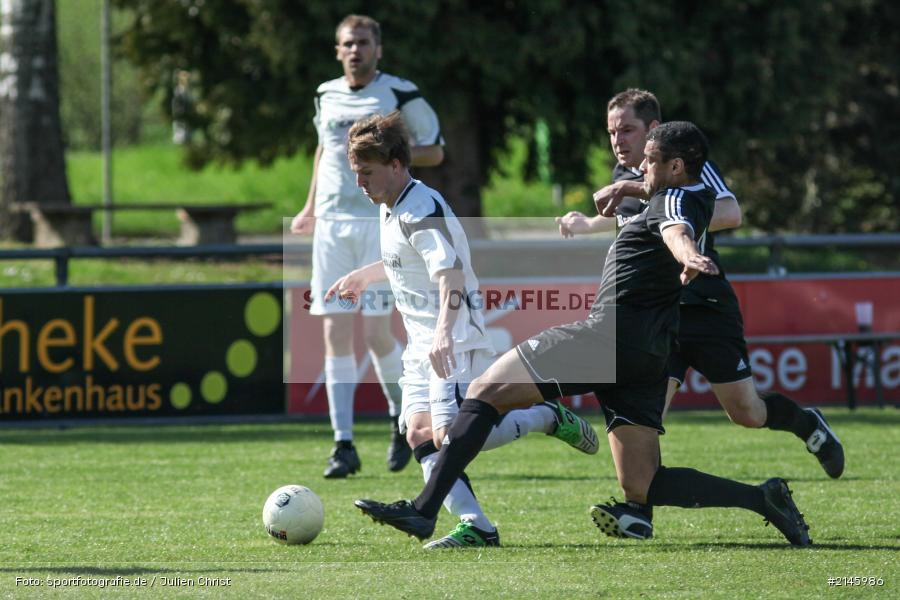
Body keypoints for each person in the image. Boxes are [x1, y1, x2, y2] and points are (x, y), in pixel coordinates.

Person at [355, 121, 812, 547]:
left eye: (649, 161)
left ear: (675, 167)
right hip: (648, 354)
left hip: (607, 337)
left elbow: (675, 230)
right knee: (643, 483)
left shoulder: (671, 203)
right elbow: (669, 204)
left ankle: (424, 508)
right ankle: (762, 498)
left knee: (485, 390)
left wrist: (688, 254)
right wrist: (628, 185)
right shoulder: (694, 195)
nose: (640, 166)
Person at [328, 113, 599, 548]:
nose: (360, 183)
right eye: (356, 173)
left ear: (396, 164)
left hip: (454, 338)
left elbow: (449, 275)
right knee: (416, 432)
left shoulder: (419, 209)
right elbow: (406, 262)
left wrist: (441, 336)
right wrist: (364, 276)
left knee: (448, 434)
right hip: (422, 344)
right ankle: (477, 525)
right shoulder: (390, 204)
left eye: (367, 173)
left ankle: (542, 416)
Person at [557, 89, 844, 479]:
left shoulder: (686, 164)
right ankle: (639, 509)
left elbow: (730, 212)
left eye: (627, 130)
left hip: (703, 304)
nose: (617, 141)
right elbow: (638, 221)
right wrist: (588, 225)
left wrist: (671, 218)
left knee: (747, 412)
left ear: (653, 128)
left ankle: (807, 424)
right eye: (611, 132)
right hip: (659, 314)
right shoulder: (626, 176)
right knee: (644, 418)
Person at [291, 15, 446, 478]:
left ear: (378, 48)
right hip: (331, 229)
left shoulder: (400, 93)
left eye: (363, 42)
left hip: (377, 223)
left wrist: (386, 156)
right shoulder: (325, 93)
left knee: (377, 335)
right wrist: (309, 206)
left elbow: (436, 149)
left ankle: (401, 420)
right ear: (337, 51)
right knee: (334, 334)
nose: (355, 50)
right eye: (347, 44)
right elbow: (323, 148)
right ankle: (343, 444)